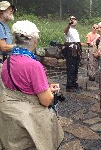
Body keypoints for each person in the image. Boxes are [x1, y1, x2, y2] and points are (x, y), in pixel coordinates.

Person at [0, 20, 64, 149]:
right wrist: (50, 91)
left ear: (15, 39)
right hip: (29, 122)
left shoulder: (7, 61)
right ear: (35, 40)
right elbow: (46, 101)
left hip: (11, 120)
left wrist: (45, 88)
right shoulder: (34, 66)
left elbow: (18, 89)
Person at [62, 15, 82, 92]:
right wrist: (69, 24)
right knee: (71, 68)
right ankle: (69, 86)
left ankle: (74, 84)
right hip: (70, 50)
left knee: (76, 67)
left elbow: (77, 41)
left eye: (74, 19)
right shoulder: (68, 29)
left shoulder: (76, 30)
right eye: (71, 19)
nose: (73, 20)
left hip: (77, 50)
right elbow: (65, 31)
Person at [0, 1, 17, 91]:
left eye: (12, 10)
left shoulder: (4, 26)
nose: (11, 11)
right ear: (1, 12)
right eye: (8, 9)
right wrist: (19, 46)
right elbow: (3, 47)